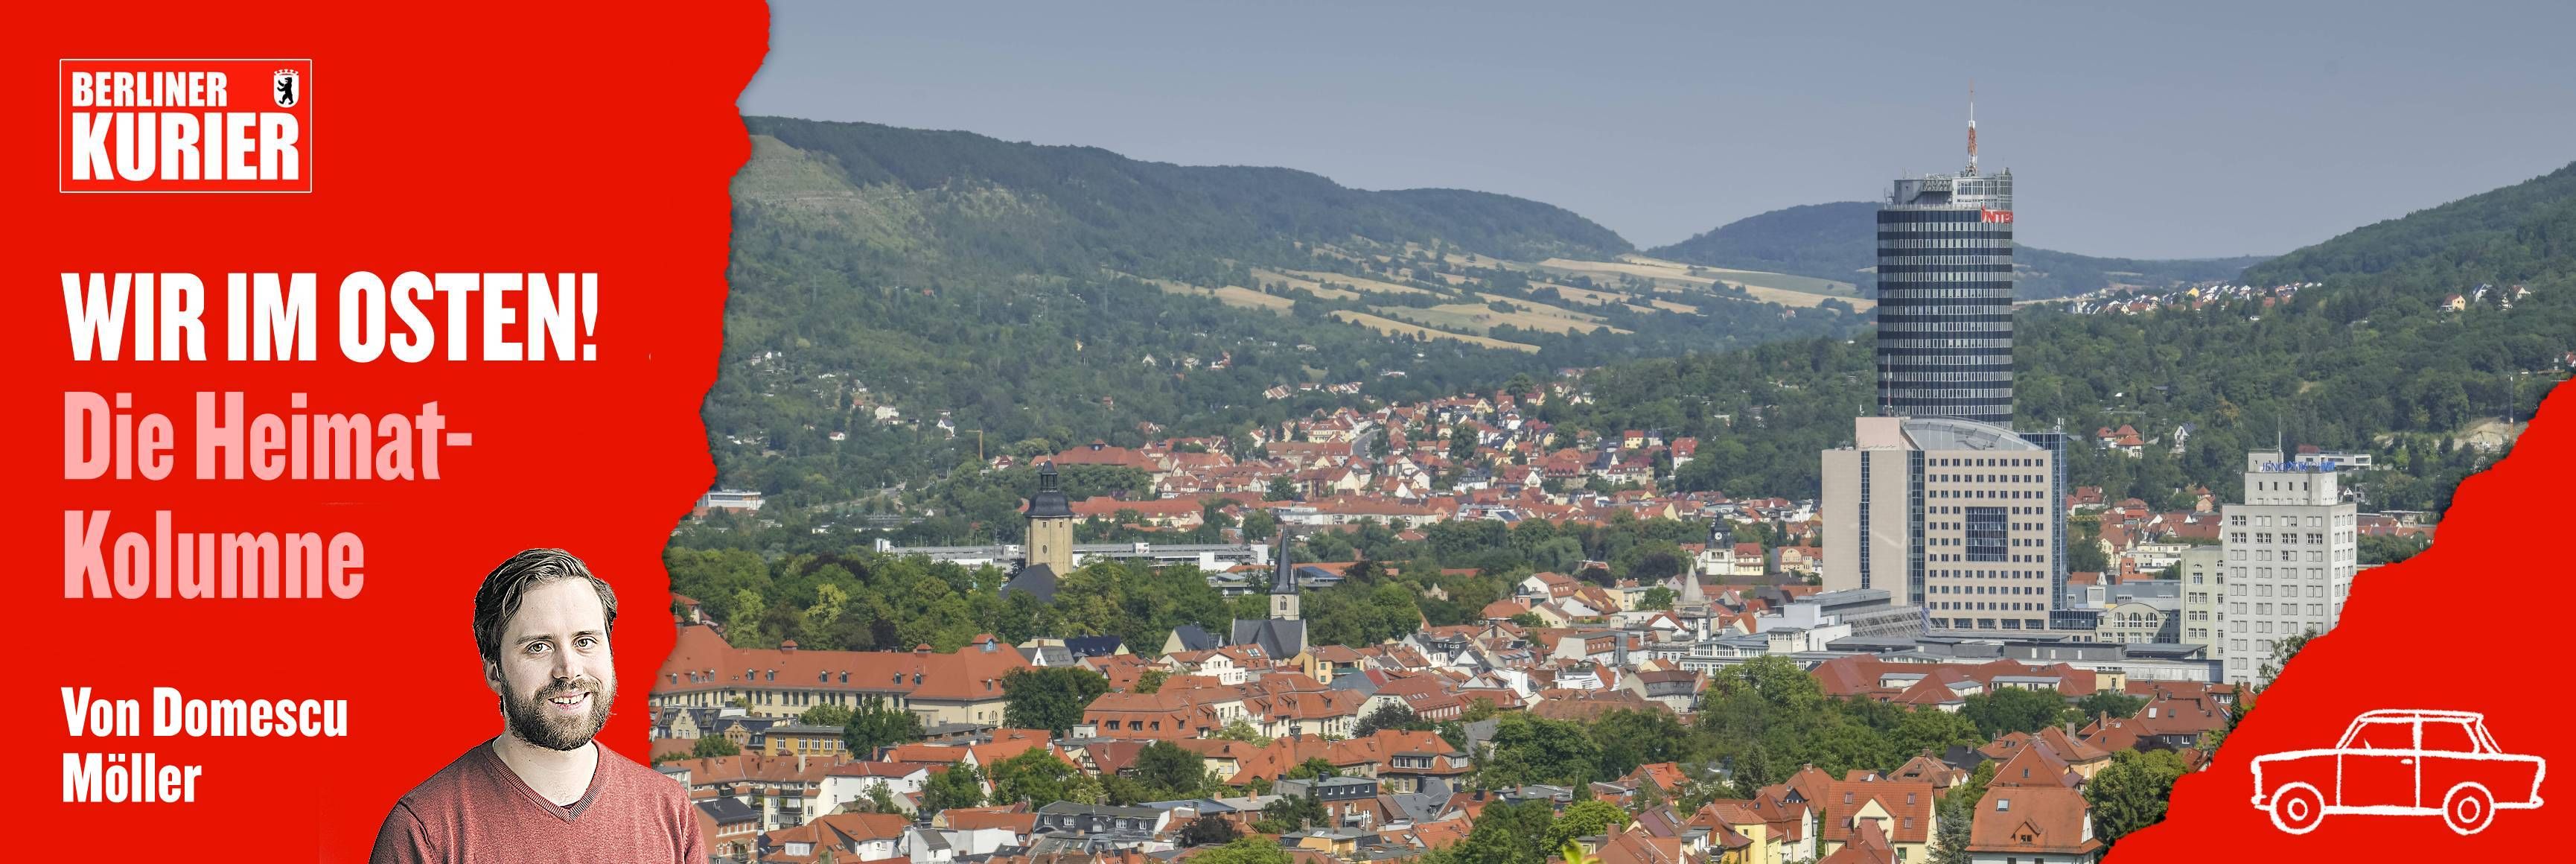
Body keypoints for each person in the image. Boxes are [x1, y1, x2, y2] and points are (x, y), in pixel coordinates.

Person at [372, 549, 704, 863]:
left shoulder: (670, 810)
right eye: (539, 647)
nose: (569, 669)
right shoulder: (425, 831)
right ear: (494, 672)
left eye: (585, 641)